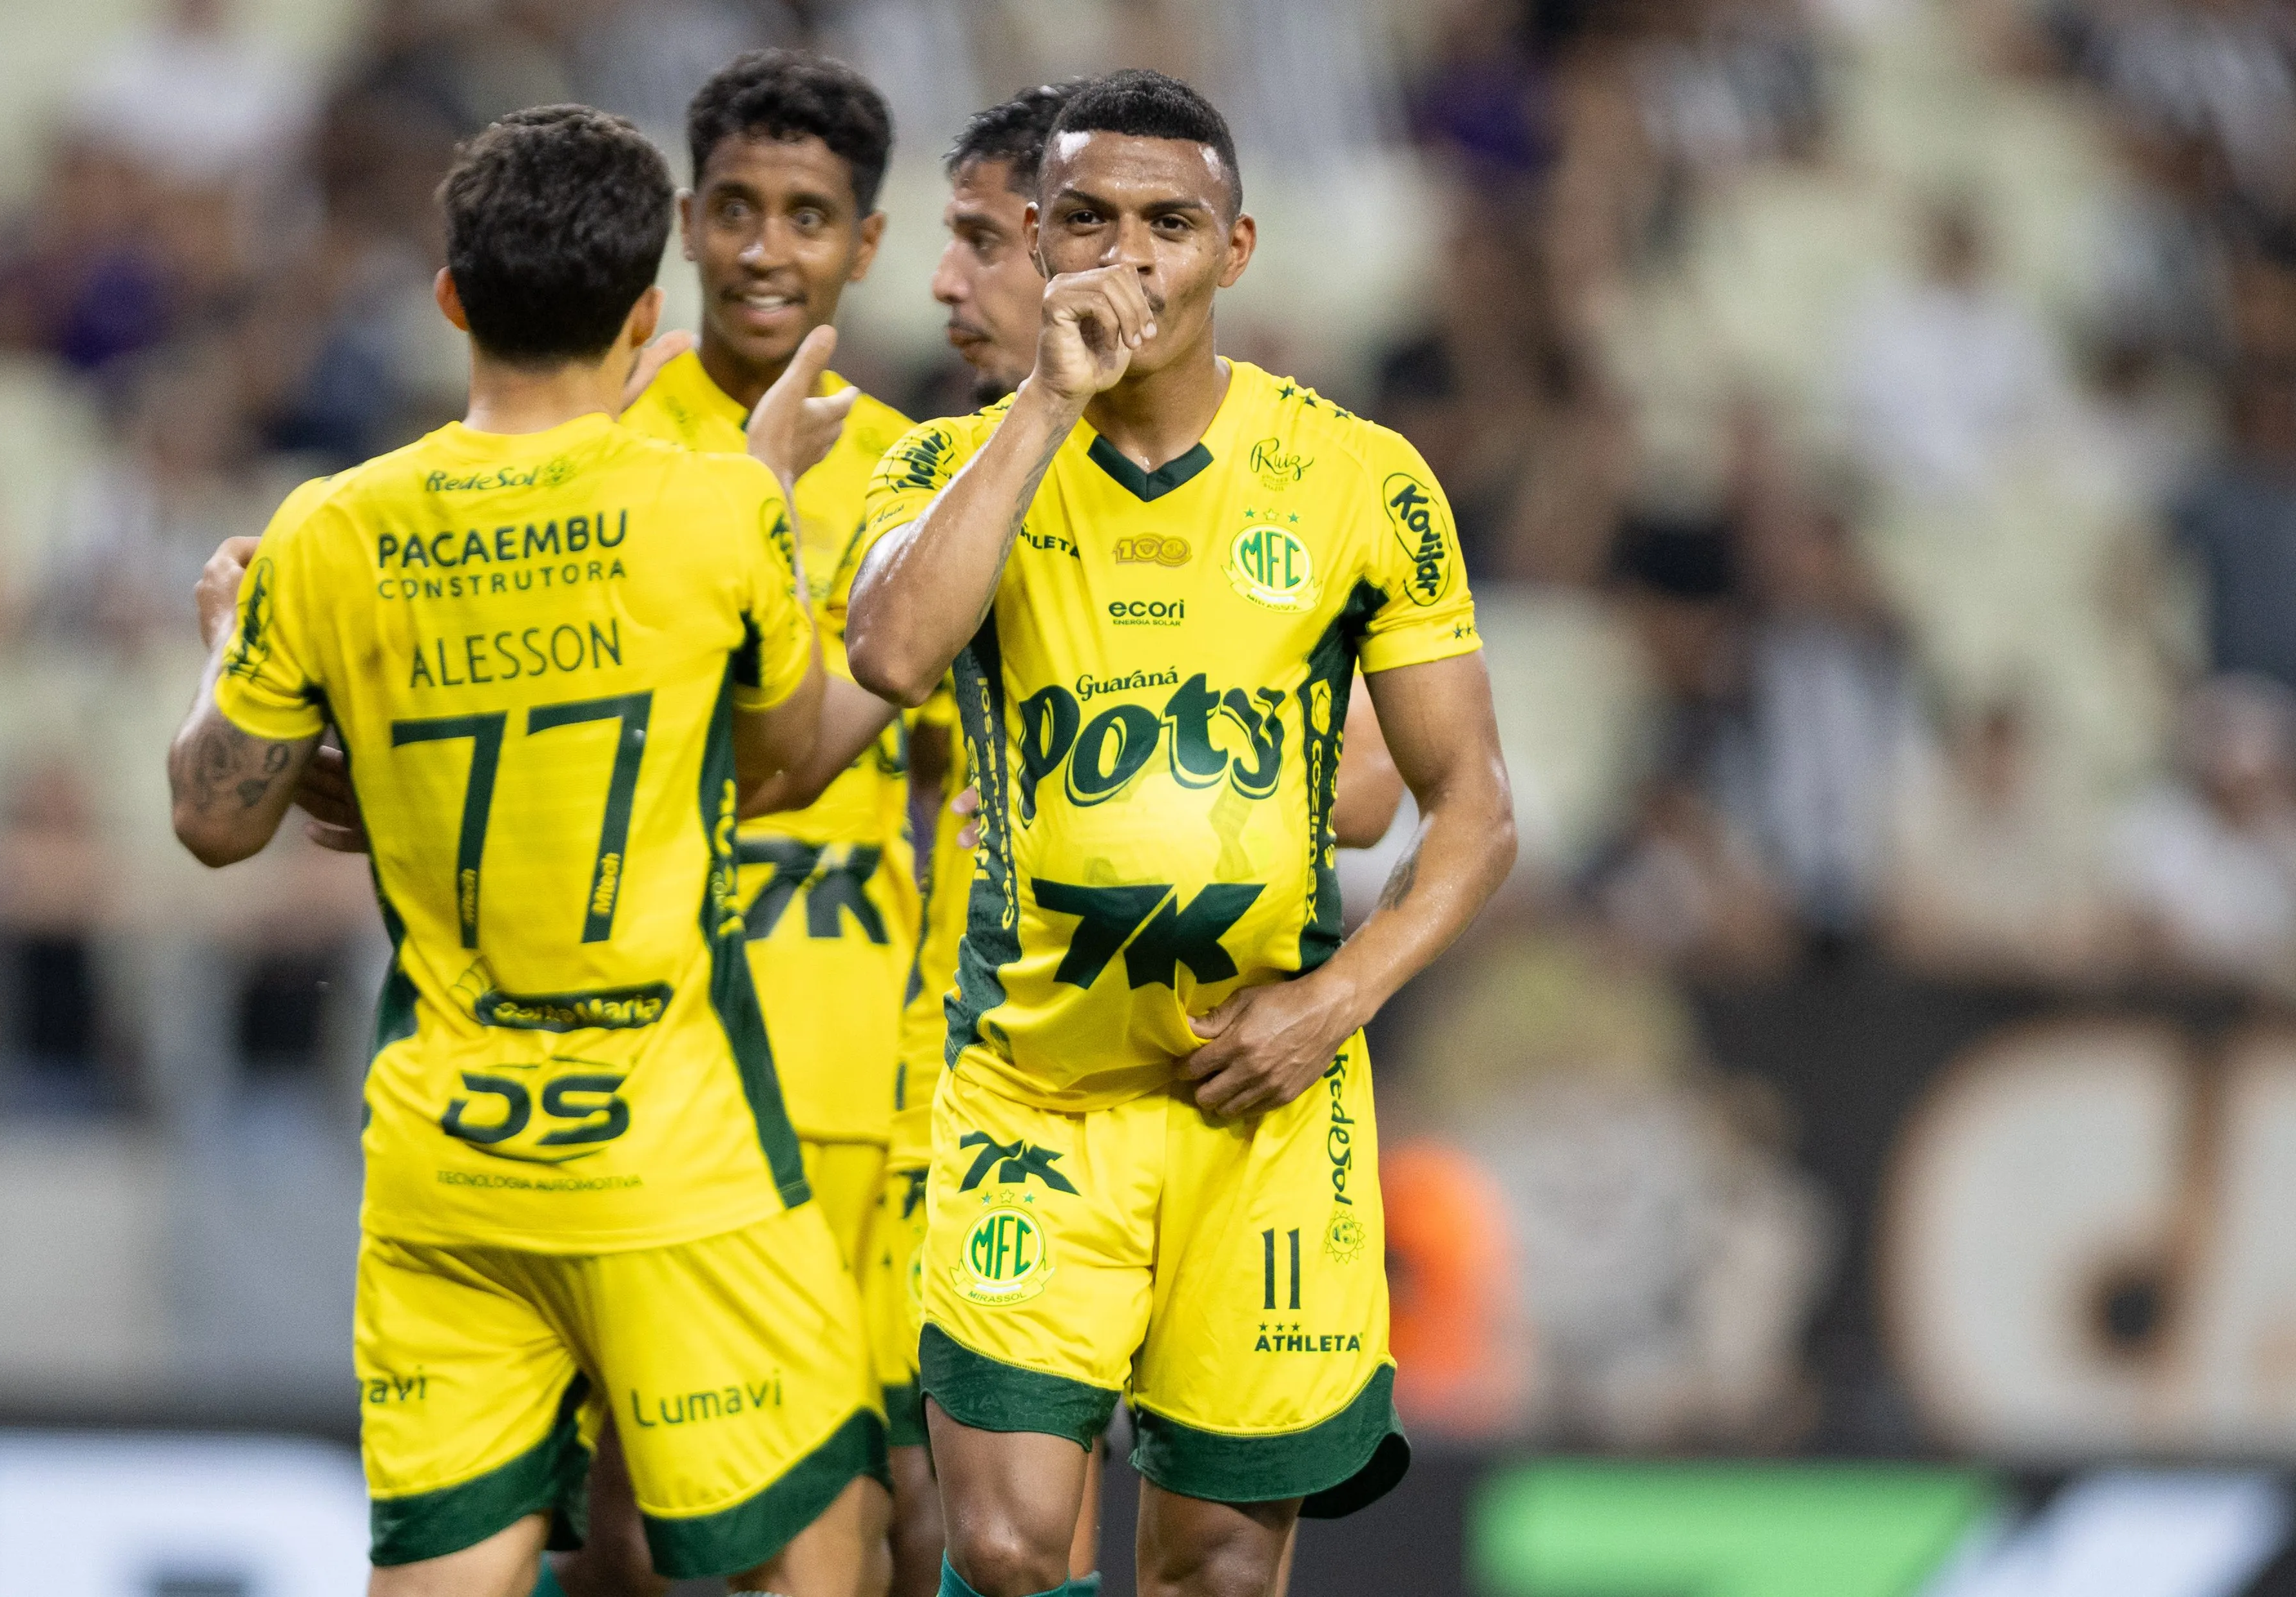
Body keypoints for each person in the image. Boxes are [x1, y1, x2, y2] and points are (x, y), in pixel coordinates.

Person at [164, 105, 878, 1596]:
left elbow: (216, 821)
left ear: (449, 298)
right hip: (671, 1158)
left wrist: (223, 648)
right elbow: (791, 760)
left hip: (448, 1161)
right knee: (818, 1566)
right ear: (646, 316)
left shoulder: (330, 530)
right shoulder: (717, 508)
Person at [842, 71, 1517, 1597]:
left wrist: (1334, 1003)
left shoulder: (1360, 481)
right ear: (1038, 232)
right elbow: (888, 657)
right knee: (1008, 1549)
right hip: (1035, 1090)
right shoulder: (950, 468)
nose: (1129, 258)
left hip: (1259, 1114)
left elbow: (1472, 810)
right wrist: (1045, 402)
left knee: (1211, 1571)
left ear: (1237, 248)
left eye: (1170, 225)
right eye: (1087, 220)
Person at [558, 47, 915, 1597]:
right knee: (632, 1517)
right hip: (646, 1056)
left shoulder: (919, 475)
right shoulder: (588, 454)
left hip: (851, 1071)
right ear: (685, 226)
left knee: (885, 1519)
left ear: (866, 242)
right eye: (740, 211)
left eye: (810, 216)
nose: (771, 250)